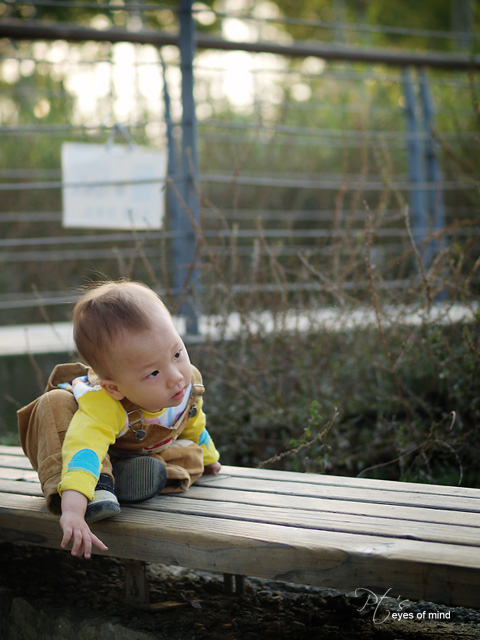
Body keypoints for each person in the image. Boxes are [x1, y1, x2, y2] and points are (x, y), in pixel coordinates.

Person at [18, 280, 221, 559]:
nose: (176, 376)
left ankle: (131, 480)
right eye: (153, 373)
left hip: (145, 451)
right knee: (55, 408)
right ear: (114, 387)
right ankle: (97, 486)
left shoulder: (188, 382)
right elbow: (84, 450)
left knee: (191, 455)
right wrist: (73, 511)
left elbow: (194, 423)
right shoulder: (104, 403)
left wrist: (210, 458)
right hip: (87, 454)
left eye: (177, 354)